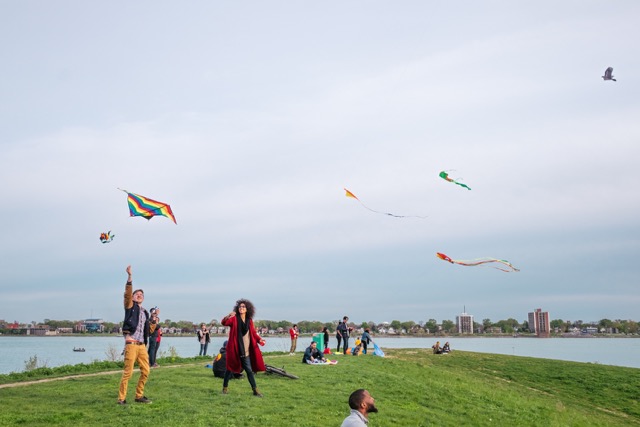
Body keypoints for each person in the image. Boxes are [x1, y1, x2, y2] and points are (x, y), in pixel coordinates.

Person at [117, 265, 152, 405]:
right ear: (132, 297)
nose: (139, 295)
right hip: (131, 343)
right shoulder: (130, 306)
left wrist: (154, 322)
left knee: (146, 371)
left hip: (142, 345)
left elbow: (147, 330)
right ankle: (121, 398)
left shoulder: (144, 312)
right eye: (137, 294)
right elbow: (127, 293)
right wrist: (130, 277)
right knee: (128, 373)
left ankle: (139, 396)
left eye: (141, 295)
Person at [220, 299, 266, 397]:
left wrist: (260, 340)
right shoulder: (234, 319)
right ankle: (225, 388)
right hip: (234, 349)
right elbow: (224, 323)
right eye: (240, 307)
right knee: (229, 369)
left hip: (246, 350)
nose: (241, 308)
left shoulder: (249, 321)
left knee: (249, 371)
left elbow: (253, 333)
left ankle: (255, 390)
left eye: (243, 307)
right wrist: (229, 315)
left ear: (247, 309)